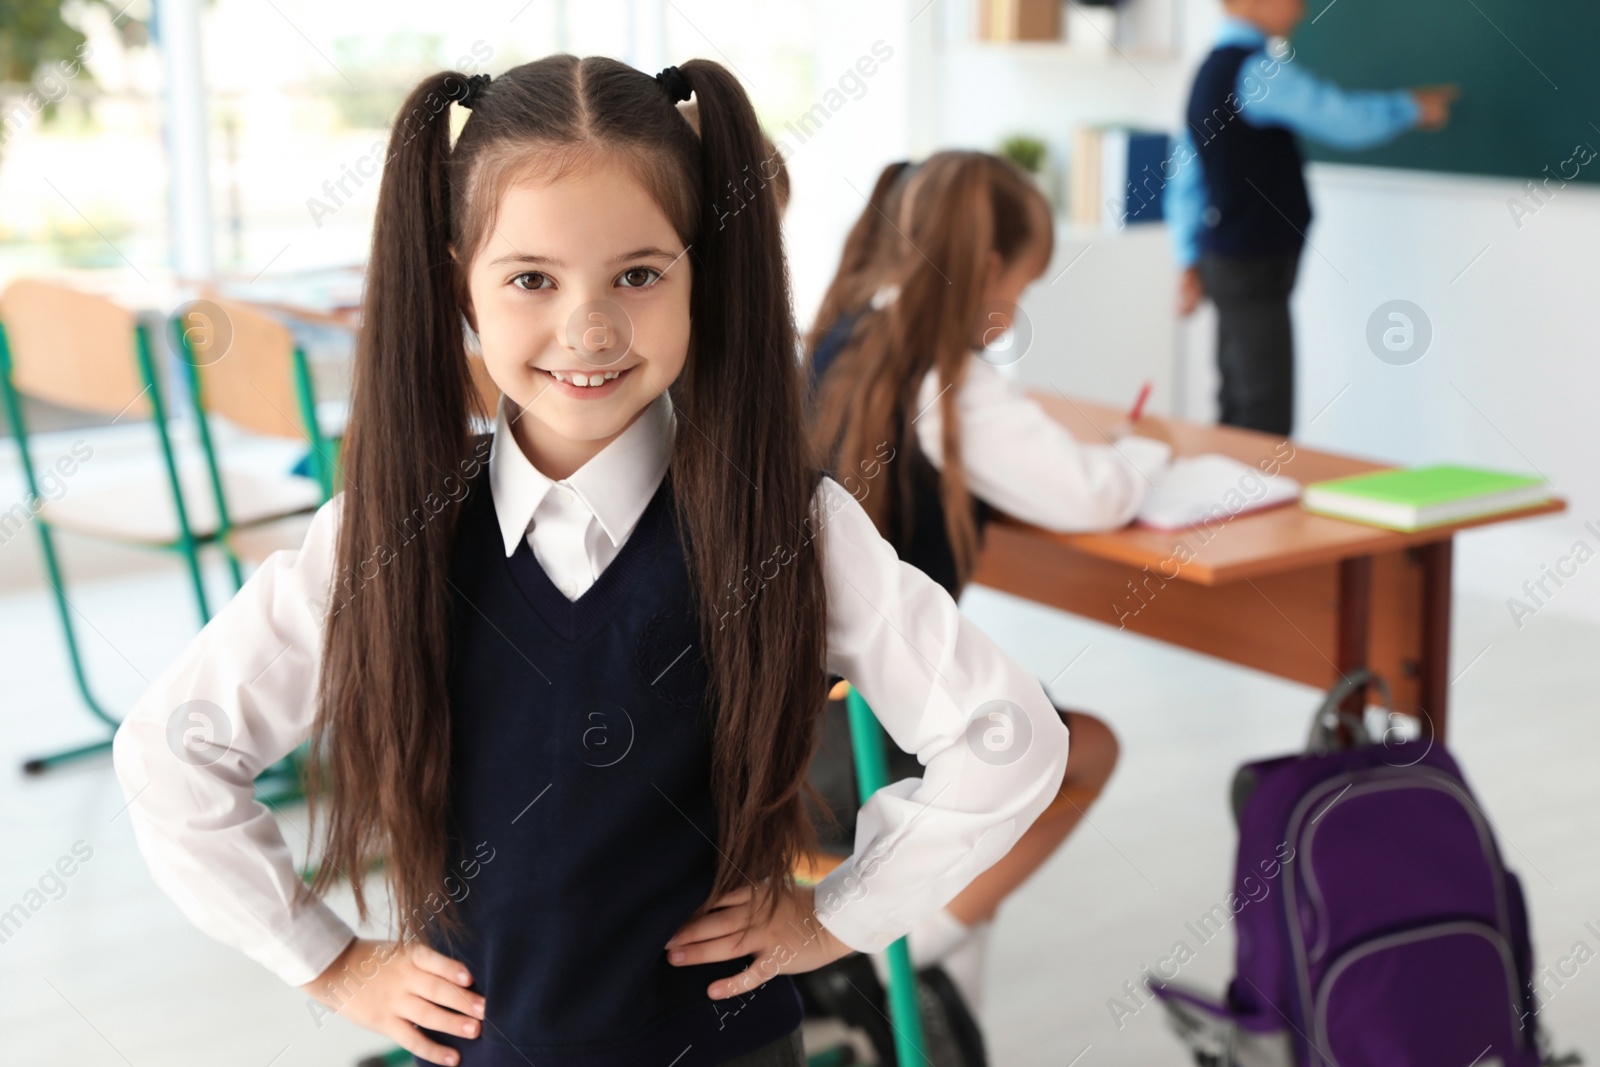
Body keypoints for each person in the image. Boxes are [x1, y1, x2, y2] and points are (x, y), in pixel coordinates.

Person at [110, 58, 1069, 1067]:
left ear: (702, 273)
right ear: (459, 288)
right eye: (532, 278)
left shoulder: (790, 525)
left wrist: (838, 915)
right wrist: (330, 961)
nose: (591, 326)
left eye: (639, 273)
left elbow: (1005, 737)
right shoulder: (385, 534)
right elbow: (172, 755)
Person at [804, 151, 1172, 1015]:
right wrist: (1148, 449)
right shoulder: (951, 384)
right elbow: (1096, 494)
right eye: (1024, 285)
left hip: (790, 738)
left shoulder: (839, 331)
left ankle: (930, 958)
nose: (1017, 309)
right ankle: (910, 953)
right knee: (1082, 749)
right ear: (988, 268)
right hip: (865, 744)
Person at [1166, 0, 1456, 435]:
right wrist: (1411, 107)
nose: (1301, 9)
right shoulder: (1258, 73)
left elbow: (1186, 174)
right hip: (1252, 263)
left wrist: (1186, 257)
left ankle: (1228, 495)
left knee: (1238, 400)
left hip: (1223, 258)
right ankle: (1252, 498)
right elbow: (1341, 119)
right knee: (1264, 413)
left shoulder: (1209, 71)